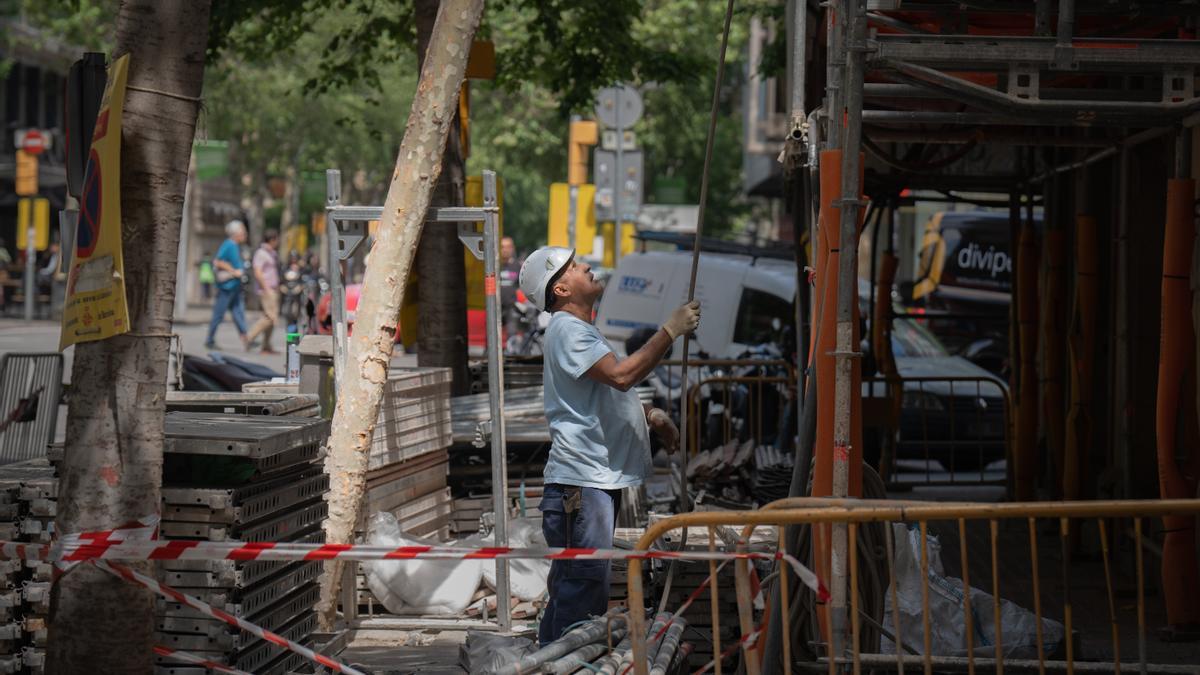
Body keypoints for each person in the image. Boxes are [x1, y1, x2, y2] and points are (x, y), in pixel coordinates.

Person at [519, 246, 700, 645]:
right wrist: (669, 330)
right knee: (582, 595)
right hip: (581, 486)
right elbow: (621, 377)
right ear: (561, 288)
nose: (586, 266)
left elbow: (600, 395)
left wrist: (650, 415)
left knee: (574, 591)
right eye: (574, 266)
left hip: (586, 486)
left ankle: (547, 664)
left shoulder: (579, 331)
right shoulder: (568, 330)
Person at [205, 220, 250, 350]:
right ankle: (209, 340)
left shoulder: (236, 246)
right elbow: (217, 261)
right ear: (236, 233)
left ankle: (247, 338)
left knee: (238, 312)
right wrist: (233, 271)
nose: (245, 234)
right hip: (226, 287)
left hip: (235, 286)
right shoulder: (229, 244)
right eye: (243, 231)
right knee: (219, 314)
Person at [245, 229, 281, 353]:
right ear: (272, 240)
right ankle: (249, 337)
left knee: (271, 318)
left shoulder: (272, 253)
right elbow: (258, 271)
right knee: (270, 317)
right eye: (277, 239)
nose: (278, 242)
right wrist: (265, 288)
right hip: (266, 290)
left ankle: (266, 345)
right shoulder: (261, 253)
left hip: (273, 289)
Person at [498, 236, 522, 334]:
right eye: (502, 247)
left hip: (512, 307)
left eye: (508, 247)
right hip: (496, 307)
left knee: (512, 337)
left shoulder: (518, 266)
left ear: (512, 248)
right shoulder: (494, 265)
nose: (505, 250)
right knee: (491, 337)